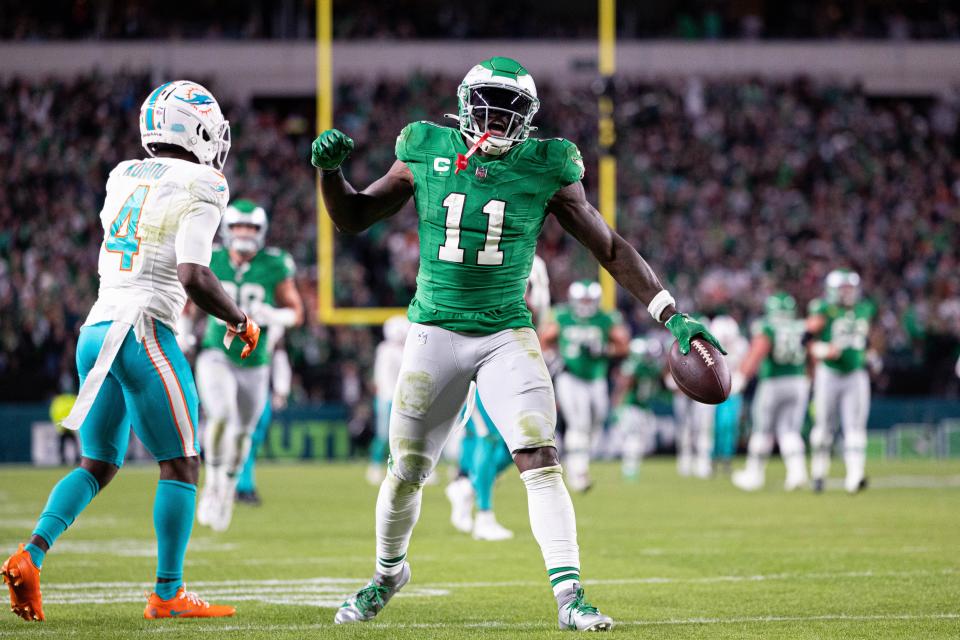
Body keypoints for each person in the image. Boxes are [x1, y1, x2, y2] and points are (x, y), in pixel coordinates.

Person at [310, 56, 723, 631]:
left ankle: (570, 596)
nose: (498, 121)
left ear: (528, 118)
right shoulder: (423, 147)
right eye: (490, 107)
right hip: (434, 330)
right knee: (405, 470)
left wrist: (670, 314)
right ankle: (386, 575)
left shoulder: (549, 165)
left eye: (511, 110)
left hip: (506, 332)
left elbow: (609, 246)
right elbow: (353, 218)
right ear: (465, 104)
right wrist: (330, 176)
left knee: (539, 456)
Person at [1, 80, 259, 622]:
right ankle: (168, 592)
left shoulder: (123, 174)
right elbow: (192, 273)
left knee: (98, 463)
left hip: (97, 326)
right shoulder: (205, 182)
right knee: (182, 464)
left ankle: (32, 553)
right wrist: (238, 318)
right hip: (143, 329)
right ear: (197, 130)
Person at [190, 200, 303, 530]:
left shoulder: (275, 264)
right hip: (217, 351)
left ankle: (227, 489)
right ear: (227, 229)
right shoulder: (212, 259)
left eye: (251, 228)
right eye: (239, 226)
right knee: (221, 415)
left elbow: (296, 312)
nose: (244, 233)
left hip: (256, 360)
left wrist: (275, 315)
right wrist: (184, 329)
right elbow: (192, 299)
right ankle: (211, 484)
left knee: (242, 434)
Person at [446, 255, 553, 540]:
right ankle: (483, 514)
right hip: (482, 361)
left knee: (519, 440)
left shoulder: (534, 261)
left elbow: (538, 313)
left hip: (513, 362)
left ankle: (466, 486)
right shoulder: (490, 259)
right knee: (488, 436)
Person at [541, 281, 630, 491]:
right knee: (578, 423)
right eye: (583, 300)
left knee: (597, 421)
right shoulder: (562, 315)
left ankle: (577, 461)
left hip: (596, 378)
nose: (586, 304)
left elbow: (623, 346)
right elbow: (544, 339)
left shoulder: (606, 318)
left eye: (589, 300)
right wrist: (552, 357)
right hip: (570, 377)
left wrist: (604, 350)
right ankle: (578, 472)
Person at [806, 270, 877, 494]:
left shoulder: (864, 308)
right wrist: (820, 349)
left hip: (856, 374)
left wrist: (871, 355)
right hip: (829, 373)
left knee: (855, 427)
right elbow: (805, 338)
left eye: (850, 288)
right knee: (823, 427)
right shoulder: (824, 309)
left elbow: (866, 340)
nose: (847, 292)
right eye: (843, 288)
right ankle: (819, 472)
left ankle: (855, 476)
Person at [731, 293, 810, 491]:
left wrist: (741, 377)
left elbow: (758, 351)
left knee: (762, 430)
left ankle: (754, 474)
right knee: (790, 431)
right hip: (799, 381)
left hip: (773, 382)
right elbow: (812, 357)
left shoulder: (767, 326)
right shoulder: (801, 327)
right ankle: (797, 473)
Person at [688, 315, 748, 477]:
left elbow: (744, 366)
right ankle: (705, 460)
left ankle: (726, 458)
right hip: (709, 390)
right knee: (706, 427)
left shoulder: (740, 345)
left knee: (727, 426)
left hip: (731, 389)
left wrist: (739, 381)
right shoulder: (704, 345)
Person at [235, 345, 292, 505]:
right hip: (240, 385)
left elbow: (278, 354)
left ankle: (242, 483)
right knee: (244, 436)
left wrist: (281, 388)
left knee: (254, 438)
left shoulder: (272, 326)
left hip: (260, 388)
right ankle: (242, 485)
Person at [611, 337, 663, 481]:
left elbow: (624, 386)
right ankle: (630, 470)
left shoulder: (635, 366)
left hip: (634, 407)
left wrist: (616, 405)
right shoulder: (652, 367)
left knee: (636, 440)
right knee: (634, 440)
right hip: (638, 407)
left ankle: (630, 469)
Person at [368, 315, 411, 485]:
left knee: (408, 436)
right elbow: (382, 378)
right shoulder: (385, 349)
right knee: (384, 434)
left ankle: (408, 469)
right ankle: (375, 465)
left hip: (403, 398)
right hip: (388, 398)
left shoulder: (404, 349)